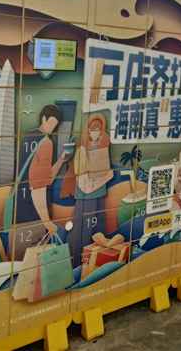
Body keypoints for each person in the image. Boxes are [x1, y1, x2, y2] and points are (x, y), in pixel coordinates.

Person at [13, 104, 68, 261]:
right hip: (34, 216)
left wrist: (61, 161)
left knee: (18, 264)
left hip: (19, 213)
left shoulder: (31, 136)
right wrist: (47, 222)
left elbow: (44, 178)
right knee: (34, 267)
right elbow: (38, 187)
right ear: (43, 119)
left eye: (54, 125)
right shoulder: (46, 143)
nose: (52, 127)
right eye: (50, 123)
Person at [62, 114, 113, 268]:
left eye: (98, 130)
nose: (95, 133)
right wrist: (107, 177)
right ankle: (75, 267)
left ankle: (95, 267)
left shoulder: (102, 147)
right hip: (86, 198)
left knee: (99, 234)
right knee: (82, 235)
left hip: (99, 195)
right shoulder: (81, 151)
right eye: (92, 130)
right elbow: (85, 187)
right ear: (87, 131)